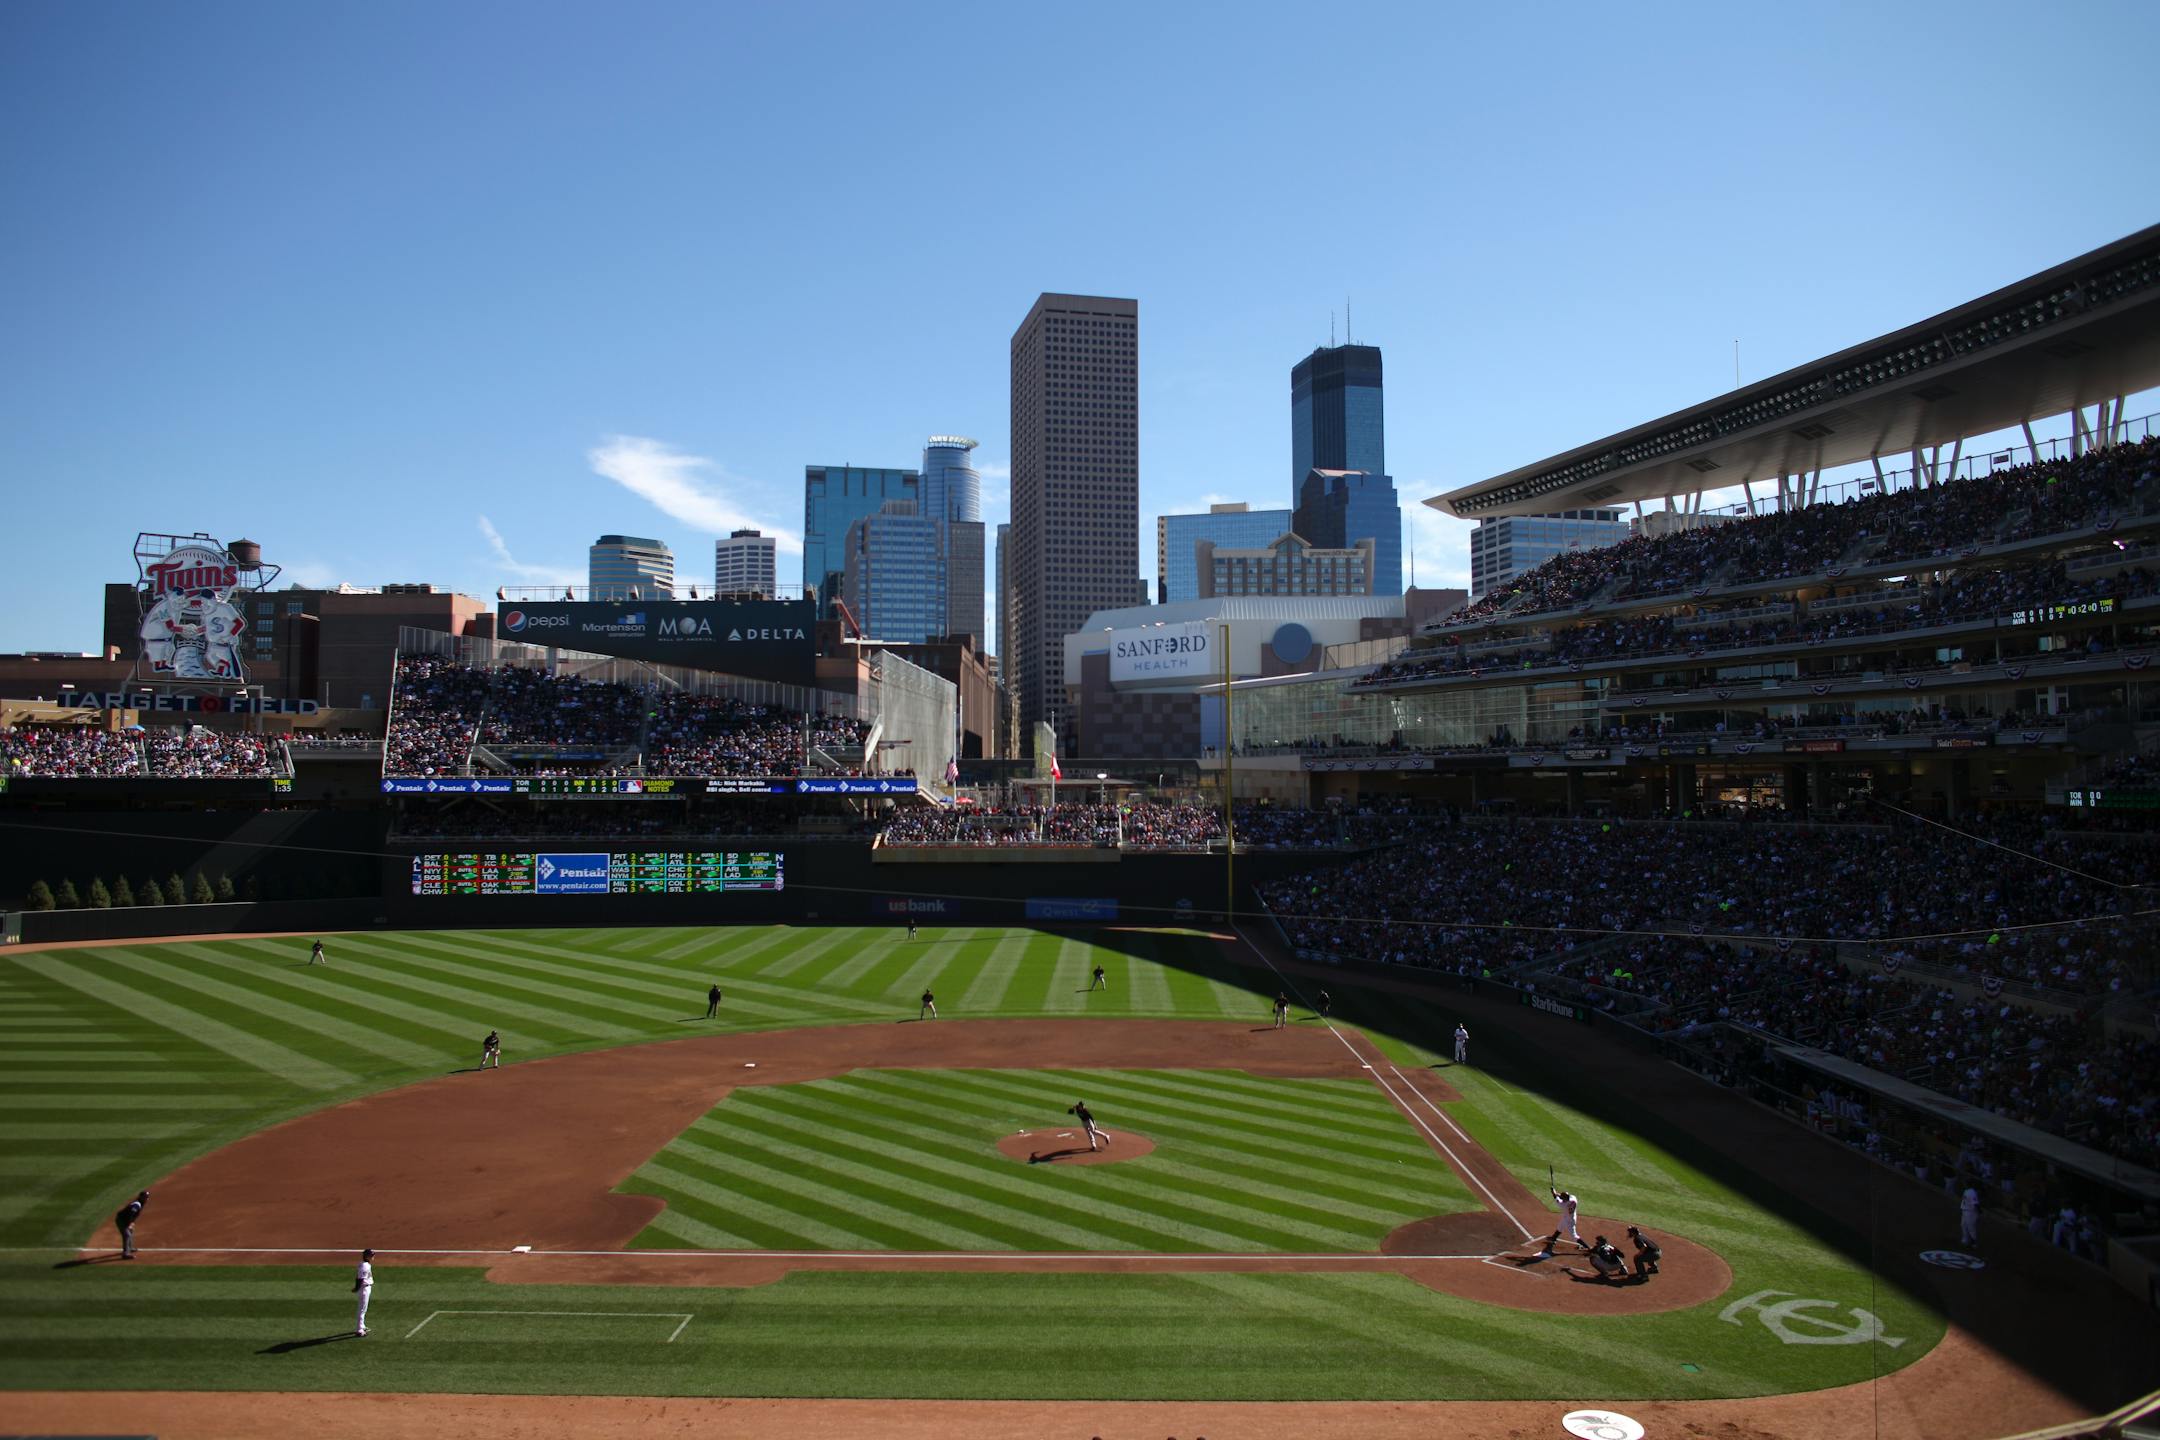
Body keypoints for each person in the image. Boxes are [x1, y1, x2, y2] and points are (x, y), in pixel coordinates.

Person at [114, 1189, 149, 1260]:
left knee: (130, 1231)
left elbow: (133, 1215)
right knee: (127, 1235)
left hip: (125, 1219)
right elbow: (130, 1214)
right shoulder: (137, 1204)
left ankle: (130, 1248)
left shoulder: (140, 1203)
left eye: (147, 1197)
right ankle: (125, 1254)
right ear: (141, 1197)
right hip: (121, 1220)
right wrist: (130, 1223)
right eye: (145, 1197)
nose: (146, 1199)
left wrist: (132, 1223)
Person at [353, 1248, 375, 1337]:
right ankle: (359, 1330)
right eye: (371, 1255)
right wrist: (356, 1288)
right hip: (364, 1289)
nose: (373, 1257)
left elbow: (358, 1277)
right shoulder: (365, 1266)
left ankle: (362, 1326)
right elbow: (360, 1279)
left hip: (365, 1288)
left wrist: (356, 1288)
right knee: (362, 1309)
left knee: (363, 1309)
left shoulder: (363, 1264)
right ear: (367, 1256)